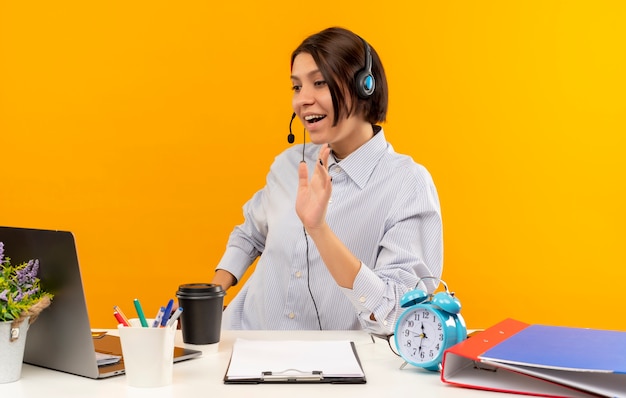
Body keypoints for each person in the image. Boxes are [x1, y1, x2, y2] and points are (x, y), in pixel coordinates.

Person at [212, 27, 443, 333]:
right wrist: (211, 295)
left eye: (319, 83)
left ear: (364, 87)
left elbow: (398, 311)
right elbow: (250, 233)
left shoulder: (407, 186)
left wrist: (318, 229)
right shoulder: (290, 164)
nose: (302, 100)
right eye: (296, 87)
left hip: (335, 370)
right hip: (241, 343)